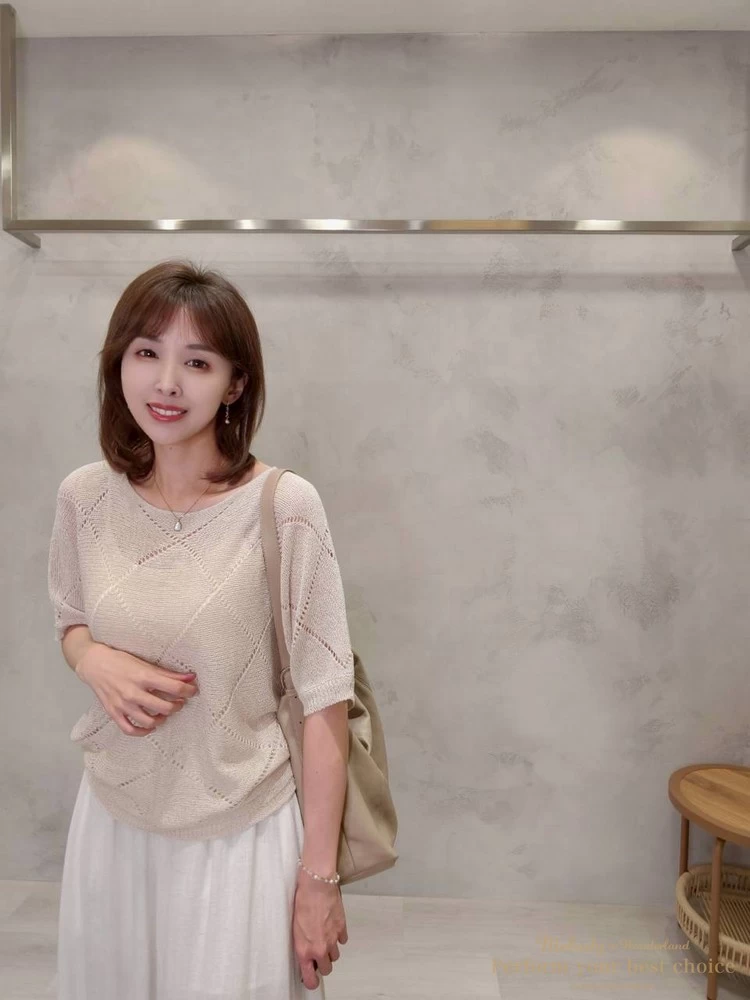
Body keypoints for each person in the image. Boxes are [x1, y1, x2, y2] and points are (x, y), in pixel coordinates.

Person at [47, 259, 356, 1000]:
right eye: (146, 352)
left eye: (197, 362)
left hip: (239, 831)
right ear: (118, 363)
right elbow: (71, 619)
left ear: (234, 384)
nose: (165, 383)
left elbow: (326, 702)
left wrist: (318, 882)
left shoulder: (285, 506)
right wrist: (91, 659)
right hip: (113, 820)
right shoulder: (85, 496)